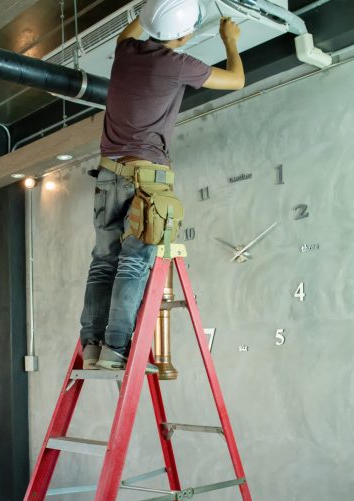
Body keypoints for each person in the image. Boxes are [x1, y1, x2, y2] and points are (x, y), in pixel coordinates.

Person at [80, 0, 245, 371]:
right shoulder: (178, 65)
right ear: (185, 34)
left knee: (103, 262)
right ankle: (115, 349)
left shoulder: (126, 51)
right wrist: (229, 39)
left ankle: (91, 346)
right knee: (134, 264)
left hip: (108, 174)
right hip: (147, 180)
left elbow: (134, 29)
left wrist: (156, 12)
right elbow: (237, 80)